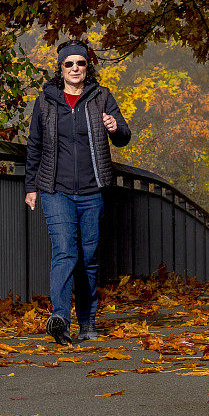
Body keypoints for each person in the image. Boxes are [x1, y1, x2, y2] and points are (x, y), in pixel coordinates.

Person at [24, 40, 131, 345]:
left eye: (80, 63)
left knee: (89, 257)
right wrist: (31, 186)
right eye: (68, 64)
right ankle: (60, 318)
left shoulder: (101, 98)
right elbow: (34, 145)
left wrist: (114, 127)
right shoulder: (46, 101)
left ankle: (87, 321)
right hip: (55, 190)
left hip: (92, 190)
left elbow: (124, 136)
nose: (75, 68)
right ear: (60, 68)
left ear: (87, 67)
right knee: (65, 252)